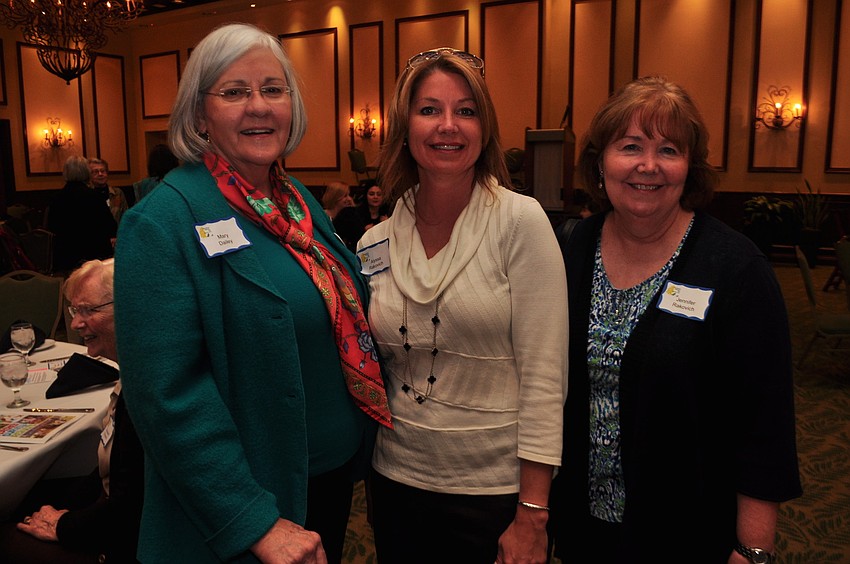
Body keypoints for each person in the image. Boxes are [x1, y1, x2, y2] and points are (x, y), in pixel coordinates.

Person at [113, 23, 390, 564]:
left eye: (273, 89)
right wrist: (252, 520)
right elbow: (167, 400)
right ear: (199, 115)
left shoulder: (296, 201)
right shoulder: (164, 221)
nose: (258, 106)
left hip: (328, 476)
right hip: (249, 505)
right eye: (234, 92)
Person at [548, 76, 802, 564]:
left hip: (689, 534)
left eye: (668, 149)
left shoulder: (735, 269)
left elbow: (763, 421)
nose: (648, 165)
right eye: (630, 146)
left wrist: (753, 549)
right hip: (583, 529)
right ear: (600, 162)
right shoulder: (572, 250)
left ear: (690, 166)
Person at [356, 47, 568, 564]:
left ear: (485, 127)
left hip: (495, 496)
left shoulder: (521, 222)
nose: (447, 126)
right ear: (404, 126)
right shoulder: (374, 242)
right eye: (429, 109)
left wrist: (533, 514)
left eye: (466, 110)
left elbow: (546, 377)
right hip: (396, 482)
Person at [1, 258, 144, 563]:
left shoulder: (147, 389)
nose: (76, 324)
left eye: (88, 310)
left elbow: (131, 503)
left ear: (129, 304)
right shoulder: (133, 372)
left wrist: (64, 524)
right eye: (74, 311)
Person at [47, 156, 117, 274]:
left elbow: (51, 226)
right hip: (93, 258)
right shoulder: (94, 197)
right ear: (87, 172)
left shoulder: (56, 198)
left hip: (65, 257)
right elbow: (110, 226)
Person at [335, 184, 391, 252]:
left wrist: (387, 225)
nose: (375, 197)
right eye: (371, 194)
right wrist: (363, 231)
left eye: (379, 194)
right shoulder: (354, 214)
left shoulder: (388, 215)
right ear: (366, 196)